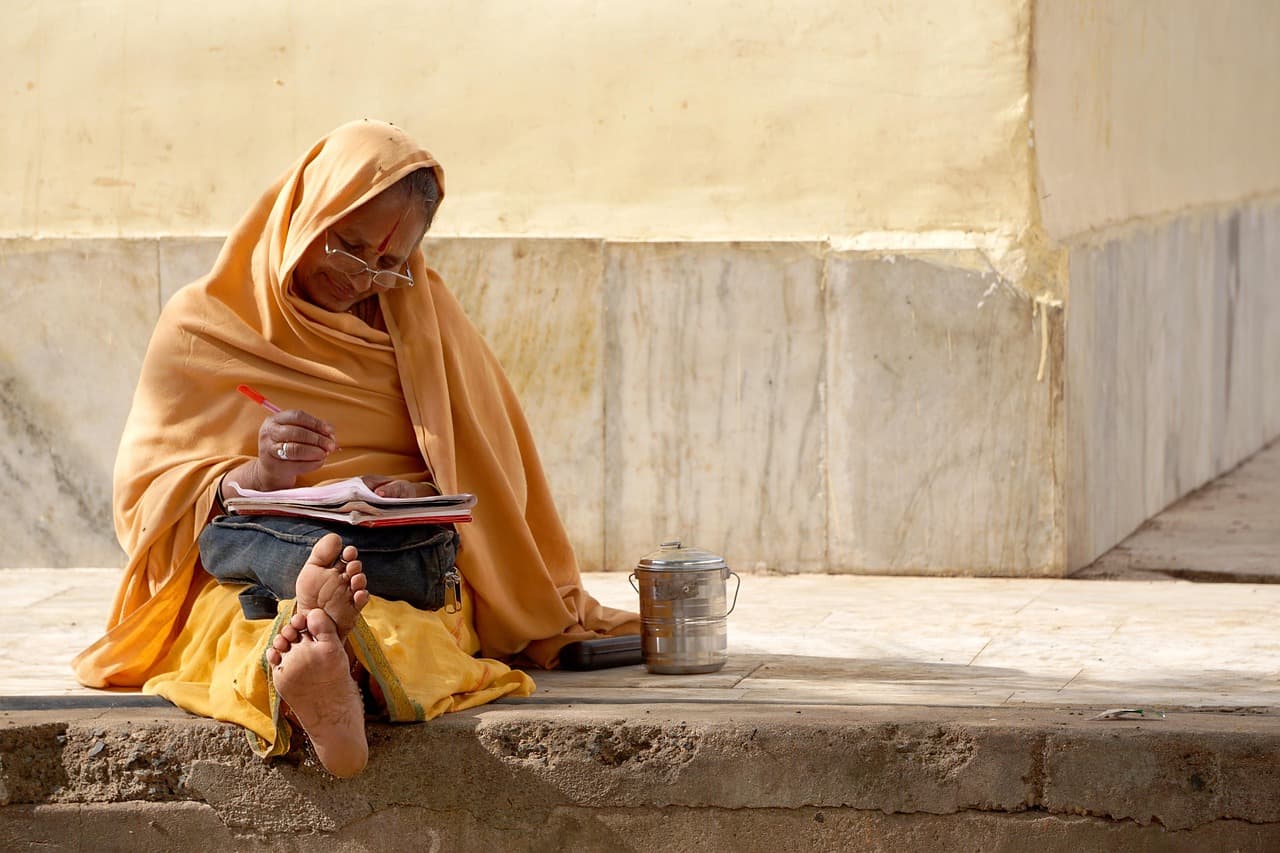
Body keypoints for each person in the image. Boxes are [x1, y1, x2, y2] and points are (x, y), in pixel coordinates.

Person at [73, 119, 639, 777]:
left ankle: (325, 653)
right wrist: (256, 472)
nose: (360, 278)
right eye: (346, 247)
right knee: (233, 617)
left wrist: (423, 492)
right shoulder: (205, 324)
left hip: (389, 555)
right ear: (308, 211)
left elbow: (495, 470)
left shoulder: (426, 320)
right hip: (256, 552)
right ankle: (325, 656)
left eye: (388, 266)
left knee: (405, 619)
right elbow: (144, 495)